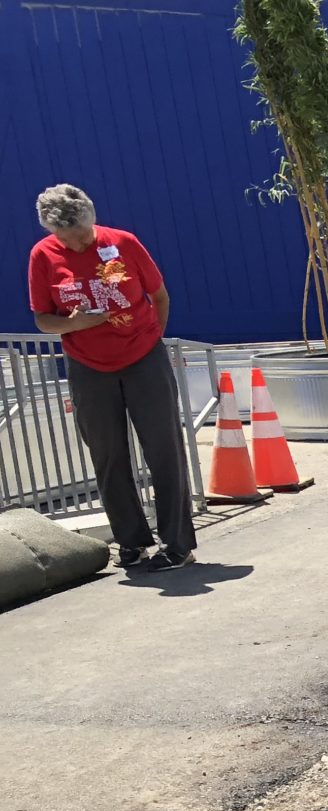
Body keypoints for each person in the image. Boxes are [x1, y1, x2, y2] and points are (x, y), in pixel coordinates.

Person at [26, 185, 194, 571]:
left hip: (142, 358)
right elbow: (42, 319)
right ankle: (131, 542)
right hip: (88, 366)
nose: (78, 245)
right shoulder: (42, 255)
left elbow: (160, 296)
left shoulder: (124, 242)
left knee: (163, 449)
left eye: (82, 235)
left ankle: (178, 543)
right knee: (107, 454)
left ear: (91, 219)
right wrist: (74, 323)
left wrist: (152, 340)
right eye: (67, 239)